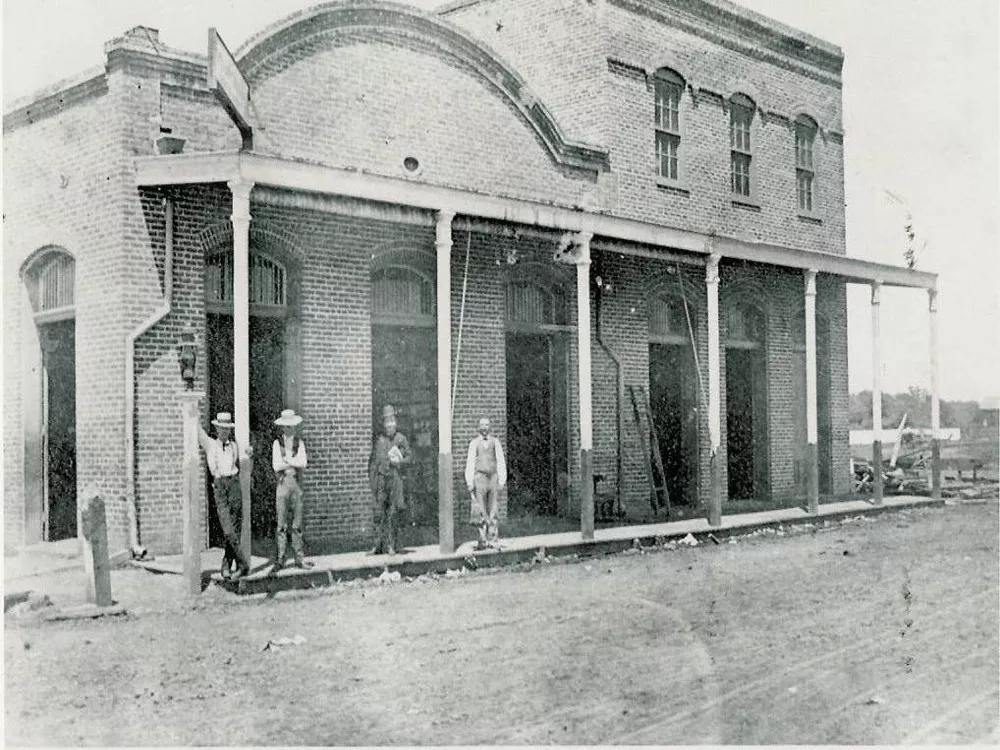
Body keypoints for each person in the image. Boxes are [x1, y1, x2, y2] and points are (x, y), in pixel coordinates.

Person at [198, 412, 253, 581]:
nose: (225, 432)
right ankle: (243, 564)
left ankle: (226, 565)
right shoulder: (211, 445)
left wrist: (250, 454)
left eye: (227, 429)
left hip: (233, 484)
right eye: (222, 429)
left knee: (235, 527)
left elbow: (244, 458)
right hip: (220, 485)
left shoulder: (234, 446)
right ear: (217, 429)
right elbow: (197, 429)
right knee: (228, 530)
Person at [271, 408, 313, 572]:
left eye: (292, 426)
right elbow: (276, 465)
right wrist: (292, 461)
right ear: (282, 427)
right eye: (286, 426)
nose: (289, 429)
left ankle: (299, 558)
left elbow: (303, 463)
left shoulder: (299, 443)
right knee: (281, 524)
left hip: (296, 483)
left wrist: (287, 460)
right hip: (282, 483)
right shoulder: (277, 443)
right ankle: (281, 559)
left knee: (297, 524)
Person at [368, 405, 412, 555]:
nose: (389, 424)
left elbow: (410, 458)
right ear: (383, 424)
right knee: (378, 513)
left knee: (393, 513)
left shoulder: (401, 439)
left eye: (392, 421)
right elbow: (373, 462)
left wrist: (399, 463)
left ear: (396, 422)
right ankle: (377, 545)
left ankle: (392, 545)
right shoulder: (379, 440)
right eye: (387, 421)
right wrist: (373, 482)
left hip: (394, 479)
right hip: (381, 481)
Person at [465, 417, 507, 550]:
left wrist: (502, 479)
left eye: (486, 425)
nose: (484, 428)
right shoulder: (474, 443)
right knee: (481, 509)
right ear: (479, 427)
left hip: (493, 478)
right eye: (482, 425)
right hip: (480, 478)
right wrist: (469, 481)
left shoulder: (496, 442)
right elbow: (470, 462)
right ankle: (482, 540)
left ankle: (493, 539)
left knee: (493, 508)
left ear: (490, 427)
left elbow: (500, 461)